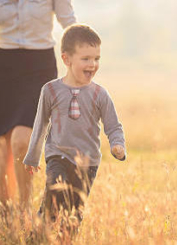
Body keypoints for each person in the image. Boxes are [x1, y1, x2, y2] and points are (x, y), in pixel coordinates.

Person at [23, 24, 126, 237]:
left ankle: (64, 239)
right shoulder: (50, 90)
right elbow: (40, 125)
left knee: (74, 209)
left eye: (96, 58)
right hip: (57, 155)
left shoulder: (100, 94)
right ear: (67, 59)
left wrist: (118, 145)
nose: (93, 64)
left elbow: (113, 125)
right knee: (54, 193)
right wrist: (32, 157)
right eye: (86, 58)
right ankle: (38, 237)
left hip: (88, 163)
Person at [0, 0, 76, 210]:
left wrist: (83, 56)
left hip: (38, 66)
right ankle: (6, 213)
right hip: (4, 64)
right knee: (4, 148)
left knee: (21, 141)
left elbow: (68, 21)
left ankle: (24, 210)